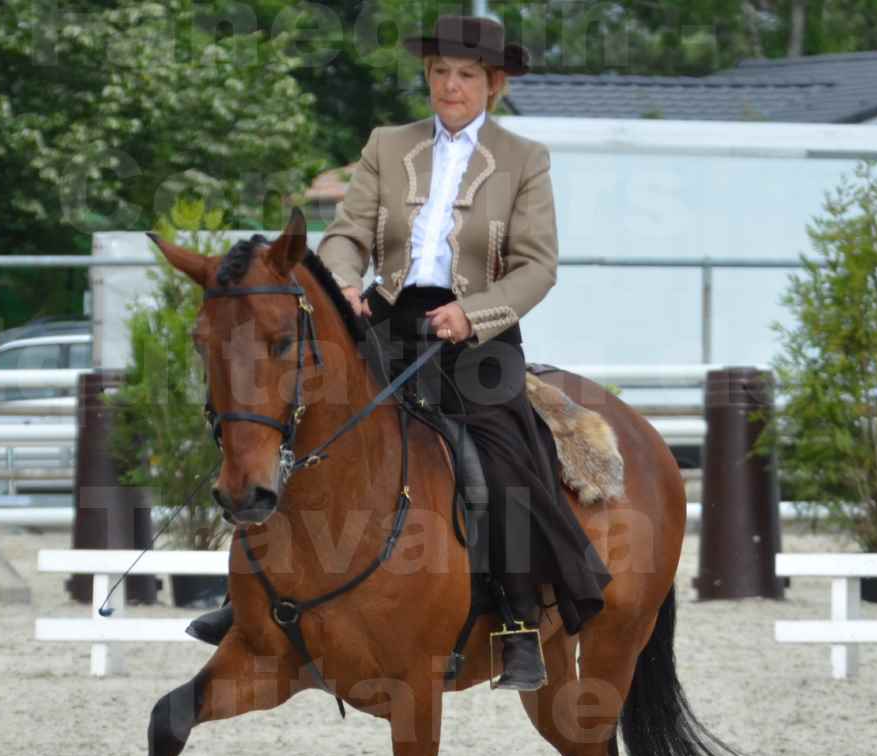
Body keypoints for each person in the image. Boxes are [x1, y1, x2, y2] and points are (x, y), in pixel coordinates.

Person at [190, 15, 611, 690]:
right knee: (294, 428)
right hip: (383, 324)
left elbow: (537, 266)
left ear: (492, 85)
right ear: (428, 77)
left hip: (479, 338)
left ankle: (517, 620)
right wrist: (344, 280)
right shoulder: (389, 145)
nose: (451, 85)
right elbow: (346, 232)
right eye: (441, 72)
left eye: (467, 75)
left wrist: (470, 314)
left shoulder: (525, 160)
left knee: (501, 460)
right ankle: (251, 601)